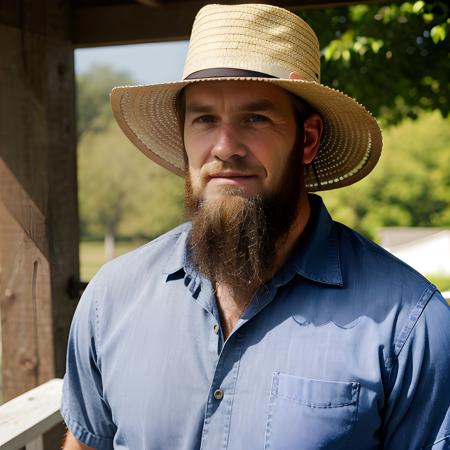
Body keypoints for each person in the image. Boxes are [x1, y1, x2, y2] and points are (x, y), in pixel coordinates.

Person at [61, 3, 450, 450]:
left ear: (307, 139)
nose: (224, 147)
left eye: (255, 118)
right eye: (204, 118)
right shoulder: (113, 298)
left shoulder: (409, 325)